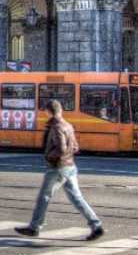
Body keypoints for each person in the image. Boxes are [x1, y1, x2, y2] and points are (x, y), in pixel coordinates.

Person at [15, 99, 105, 241]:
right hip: (70, 167)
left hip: (57, 168)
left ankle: (34, 227)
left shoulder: (56, 126)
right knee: (77, 198)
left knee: (43, 197)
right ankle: (96, 226)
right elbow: (75, 147)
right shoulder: (67, 125)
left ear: (48, 112)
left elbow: (61, 149)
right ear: (60, 110)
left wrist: (49, 157)